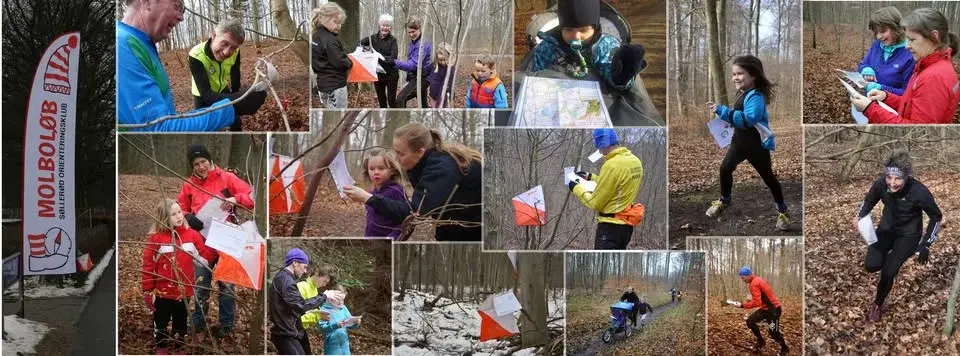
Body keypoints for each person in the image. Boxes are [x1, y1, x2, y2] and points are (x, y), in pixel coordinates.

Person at [117, 0, 245, 131]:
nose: (181, 17)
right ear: (146, 2)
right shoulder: (123, 47)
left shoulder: (143, 43)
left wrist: (236, 98)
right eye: (177, 6)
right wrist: (233, 107)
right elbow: (157, 129)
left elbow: (164, 120)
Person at [342, 122, 482, 241]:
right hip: (459, 227)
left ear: (420, 152)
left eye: (401, 154)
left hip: (477, 229)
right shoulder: (425, 164)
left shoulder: (441, 168)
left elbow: (414, 212)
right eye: (395, 152)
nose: (396, 158)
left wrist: (368, 198)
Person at [176, 144, 254, 338]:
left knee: (227, 286)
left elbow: (252, 196)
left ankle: (226, 326)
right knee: (201, 285)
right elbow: (179, 209)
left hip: (227, 239)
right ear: (191, 166)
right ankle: (198, 324)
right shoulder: (189, 185)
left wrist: (236, 198)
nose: (201, 166)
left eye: (203, 161)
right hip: (201, 241)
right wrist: (187, 216)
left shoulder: (227, 178)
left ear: (210, 160)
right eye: (196, 163)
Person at [707, 55, 790, 231]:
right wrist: (722, 112)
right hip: (739, 143)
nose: (735, 78)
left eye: (740, 74)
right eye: (733, 74)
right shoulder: (743, 93)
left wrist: (723, 111)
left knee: (769, 179)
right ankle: (724, 200)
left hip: (757, 146)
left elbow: (749, 118)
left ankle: (782, 211)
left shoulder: (756, 96)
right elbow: (737, 117)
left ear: (753, 75)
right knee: (725, 168)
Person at [857, 150, 941, 322]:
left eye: (898, 179)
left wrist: (926, 243)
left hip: (909, 235)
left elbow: (936, 216)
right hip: (886, 230)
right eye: (889, 177)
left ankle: (877, 304)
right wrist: (859, 216)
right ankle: (889, 263)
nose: (892, 183)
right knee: (871, 266)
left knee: (888, 271)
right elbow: (869, 200)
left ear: (907, 177)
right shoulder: (881, 184)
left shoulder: (919, 192)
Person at [853, 8, 960, 123]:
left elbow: (916, 132)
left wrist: (869, 109)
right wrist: (886, 96)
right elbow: (911, 105)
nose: (907, 46)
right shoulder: (931, 66)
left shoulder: (934, 77)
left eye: (912, 40)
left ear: (934, 36)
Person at [141, 198, 214, 354]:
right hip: (162, 292)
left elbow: (204, 259)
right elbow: (148, 264)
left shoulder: (192, 236)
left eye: (180, 212)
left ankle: (179, 347)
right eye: (173, 214)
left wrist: (216, 247)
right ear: (164, 218)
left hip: (184, 292)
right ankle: (161, 348)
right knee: (160, 322)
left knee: (180, 323)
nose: (179, 216)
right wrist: (148, 289)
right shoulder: (157, 239)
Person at [569, 129, 645, 249]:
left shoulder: (611, 165)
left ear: (602, 144)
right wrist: (590, 177)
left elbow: (595, 203)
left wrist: (576, 188)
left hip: (610, 228)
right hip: (626, 227)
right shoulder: (634, 161)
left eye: (599, 147)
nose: (600, 152)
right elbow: (618, 184)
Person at [188, 18, 267, 131]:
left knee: (235, 123)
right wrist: (239, 99)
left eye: (233, 47)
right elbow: (207, 96)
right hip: (202, 95)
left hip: (222, 89)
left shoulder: (235, 52)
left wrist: (237, 93)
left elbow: (235, 73)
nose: (227, 52)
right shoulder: (195, 55)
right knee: (205, 128)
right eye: (224, 43)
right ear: (214, 35)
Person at [269, 248, 344, 355]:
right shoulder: (287, 281)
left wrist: (318, 313)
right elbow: (301, 306)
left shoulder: (284, 279)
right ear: (295, 263)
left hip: (290, 331)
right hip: (285, 333)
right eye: (304, 267)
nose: (305, 271)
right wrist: (324, 297)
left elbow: (294, 308)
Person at [726, 267, 788, 355]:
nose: (742, 280)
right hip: (765, 309)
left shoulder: (754, 284)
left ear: (748, 275)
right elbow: (762, 295)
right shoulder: (757, 280)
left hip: (773, 311)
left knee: (774, 333)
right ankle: (761, 341)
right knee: (750, 321)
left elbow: (757, 302)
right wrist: (751, 298)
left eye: (743, 277)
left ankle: (785, 348)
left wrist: (743, 305)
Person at [858, 7, 915, 96]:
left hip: (888, 107)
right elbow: (863, 64)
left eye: (883, 31)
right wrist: (866, 69)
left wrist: (880, 88)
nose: (879, 36)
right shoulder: (877, 45)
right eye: (876, 32)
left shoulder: (910, 54)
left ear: (897, 27)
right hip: (867, 102)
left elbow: (906, 93)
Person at [312, 3, 352, 109]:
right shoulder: (330, 40)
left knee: (329, 111)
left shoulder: (316, 35)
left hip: (323, 84)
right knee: (338, 113)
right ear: (324, 19)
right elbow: (340, 62)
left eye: (340, 23)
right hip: (335, 85)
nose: (339, 26)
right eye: (336, 22)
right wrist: (350, 62)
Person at [362, 148, 407, 238]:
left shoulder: (396, 191)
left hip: (386, 245)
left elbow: (404, 222)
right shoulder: (372, 193)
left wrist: (390, 239)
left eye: (381, 168)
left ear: (392, 171)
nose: (376, 172)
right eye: (371, 169)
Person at [358, 14, 400, 108]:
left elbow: (393, 58)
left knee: (391, 100)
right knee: (381, 101)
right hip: (377, 75)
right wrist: (367, 53)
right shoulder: (372, 38)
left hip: (391, 75)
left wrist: (377, 56)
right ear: (380, 25)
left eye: (388, 26)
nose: (385, 28)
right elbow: (359, 44)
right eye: (383, 25)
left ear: (390, 28)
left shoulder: (393, 40)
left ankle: (394, 117)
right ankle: (385, 120)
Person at [296, 267, 336, 354]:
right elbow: (297, 315)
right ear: (317, 274)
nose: (324, 285)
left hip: (302, 330)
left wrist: (321, 314)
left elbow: (312, 311)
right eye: (324, 281)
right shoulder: (301, 286)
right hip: (294, 330)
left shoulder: (314, 290)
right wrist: (318, 316)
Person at [394, 19, 433, 108]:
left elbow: (413, 65)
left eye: (413, 32)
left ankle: (403, 121)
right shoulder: (413, 42)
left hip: (422, 78)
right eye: (409, 32)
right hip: (416, 77)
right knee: (423, 105)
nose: (411, 34)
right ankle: (424, 121)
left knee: (400, 99)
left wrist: (394, 62)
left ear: (419, 29)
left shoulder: (422, 44)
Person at [317, 284, 362, 355]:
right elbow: (321, 328)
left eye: (343, 300)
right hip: (332, 346)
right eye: (338, 299)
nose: (341, 302)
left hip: (344, 344)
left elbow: (349, 324)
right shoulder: (324, 309)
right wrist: (336, 325)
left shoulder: (343, 308)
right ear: (332, 297)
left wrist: (356, 323)